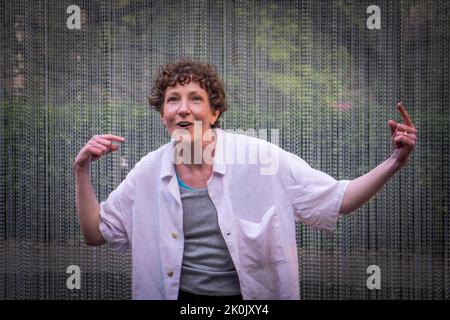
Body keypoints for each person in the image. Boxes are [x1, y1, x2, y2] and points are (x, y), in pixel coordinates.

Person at [74, 59, 417, 300]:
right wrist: (82, 169)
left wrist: (394, 161)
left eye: (196, 99)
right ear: (163, 114)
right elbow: (95, 233)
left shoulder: (262, 159)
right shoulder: (147, 173)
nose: (183, 108)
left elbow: (339, 199)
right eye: (172, 100)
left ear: (215, 112)